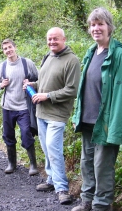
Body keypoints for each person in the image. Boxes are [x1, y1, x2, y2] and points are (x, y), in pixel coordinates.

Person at [71, 7, 122, 211]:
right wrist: (77, 114)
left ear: (109, 27)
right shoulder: (91, 53)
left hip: (106, 123)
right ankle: (87, 202)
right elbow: (84, 89)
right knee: (86, 163)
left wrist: (114, 129)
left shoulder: (118, 55)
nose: (96, 28)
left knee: (102, 168)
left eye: (100, 24)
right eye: (93, 24)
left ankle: (101, 206)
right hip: (88, 121)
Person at [24, 27, 81, 205]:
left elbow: (72, 90)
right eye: (49, 39)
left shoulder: (72, 61)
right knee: (47, 149)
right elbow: (44, 81)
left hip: (57, 114)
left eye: (55, 39)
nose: (52, 42)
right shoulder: (48, 57)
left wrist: (47, 96)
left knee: (54, 149)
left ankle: (62, 187)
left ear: (64, 39)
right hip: (41, 112)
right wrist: (32, 84)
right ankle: (51, 180)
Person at [0, 39, 39, 176]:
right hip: (7, 106)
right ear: (3, 51)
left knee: (26, 134)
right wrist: (1, 85)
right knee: (8, 135)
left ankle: (33, 164)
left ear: (15, 47)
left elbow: (40, 79)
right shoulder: (2, 67)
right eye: (5, 49)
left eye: (10, 47)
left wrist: (32, 83)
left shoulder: (27, 63)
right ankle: (12, 163)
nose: (8, 50)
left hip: (24, 107)